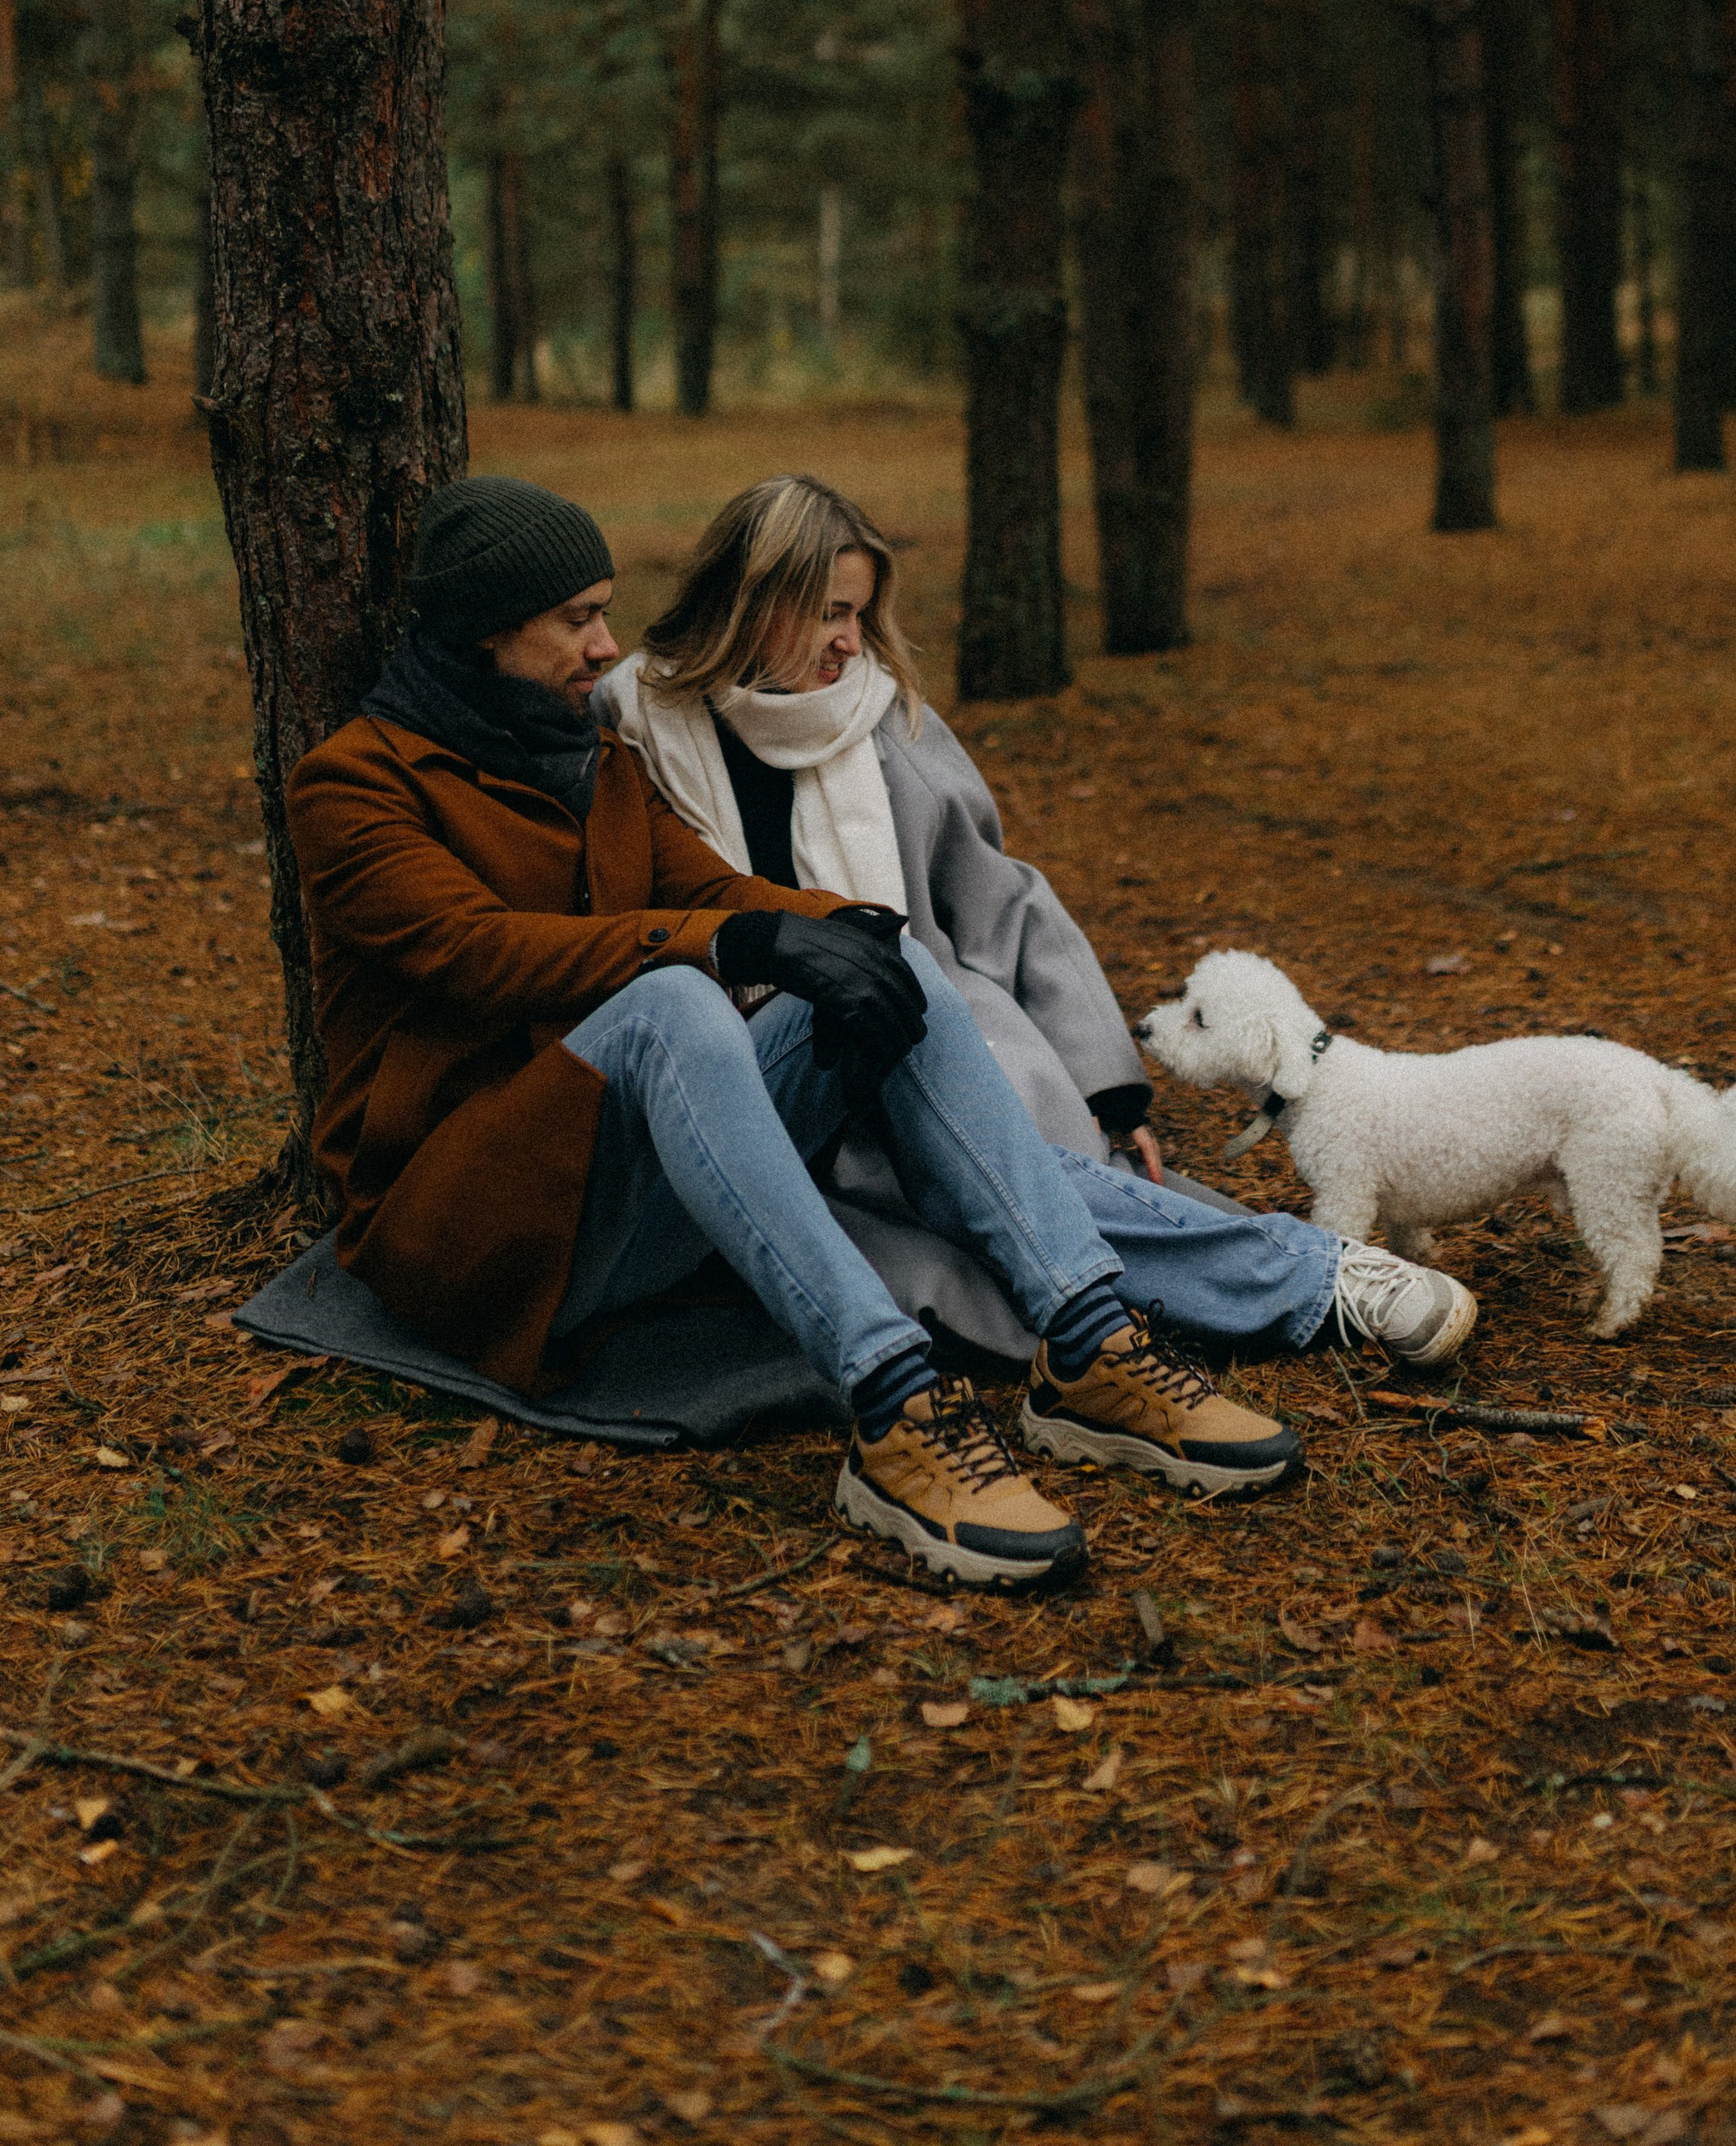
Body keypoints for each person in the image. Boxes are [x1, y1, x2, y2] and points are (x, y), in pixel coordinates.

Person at [288, 475, 1349, 1593]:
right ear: (485, 628)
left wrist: (848, 933)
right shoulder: (354, 784)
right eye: (575, 620)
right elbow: (480, 952)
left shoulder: (590, 761)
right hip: (469, 1228)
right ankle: (892, 1401)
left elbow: (715, 887)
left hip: (615, 1197)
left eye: (603, 614)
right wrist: (737, 949)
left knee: (884, 963)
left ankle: (1086, 1337)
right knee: (677, 999)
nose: (605, 646)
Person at [591, 473, 1477, 1371]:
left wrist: (1107, 1087)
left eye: (859, 614)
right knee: (987, 1198)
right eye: (826, 612)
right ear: (753, 602)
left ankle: (1316, 1282)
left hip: (920, 1037)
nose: (848, 642)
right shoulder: (636, 728)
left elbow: (1000, 900)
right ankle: (1310, 1280)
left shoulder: (881, 720)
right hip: (754, 1075)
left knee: (998, 1167)